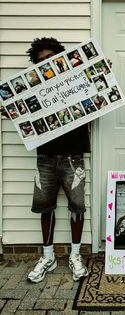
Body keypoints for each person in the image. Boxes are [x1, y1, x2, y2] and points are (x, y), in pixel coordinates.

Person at [24, 37, 90, 283]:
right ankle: (48, 256)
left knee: (77, 207)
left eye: (51, 58)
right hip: (45, 155)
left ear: (60, 59)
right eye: (41, 60)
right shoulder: (32, 89)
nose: (46, 63)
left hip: (73, 155)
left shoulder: (77, 81)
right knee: (45, 206)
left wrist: (101, 75)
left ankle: (75, 255)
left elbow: (97, 97)